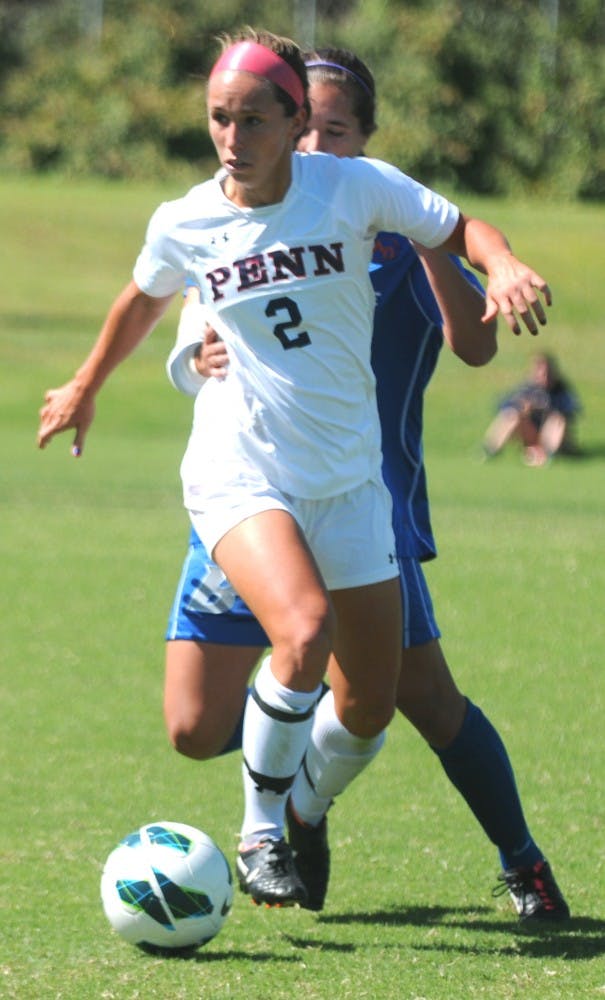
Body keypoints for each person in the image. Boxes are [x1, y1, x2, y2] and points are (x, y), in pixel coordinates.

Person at [37, 28, 554, 911]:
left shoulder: (357, 195)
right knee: (295, 640)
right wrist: (87, 382)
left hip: (353, 482)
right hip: (242, 473)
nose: (233, 139)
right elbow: (148, 296)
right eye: (217, 119)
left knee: (376, 702)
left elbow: (459, 236)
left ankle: (304, 813)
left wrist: (496, 260)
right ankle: (261, 831)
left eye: (254, 120)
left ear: (297, 122)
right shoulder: (188, 217)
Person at [483, 352, 581, 466]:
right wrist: (521, 407)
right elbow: (502, 405)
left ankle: (549, 455)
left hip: (551, 435)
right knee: (511, 415)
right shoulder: (527, 389)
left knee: (558, 420)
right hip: (531, 434)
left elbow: (572, 410)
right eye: (540, 372)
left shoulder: (560, 389)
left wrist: (547, 408)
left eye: (547, 373)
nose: (544, 376)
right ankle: (490, 450)